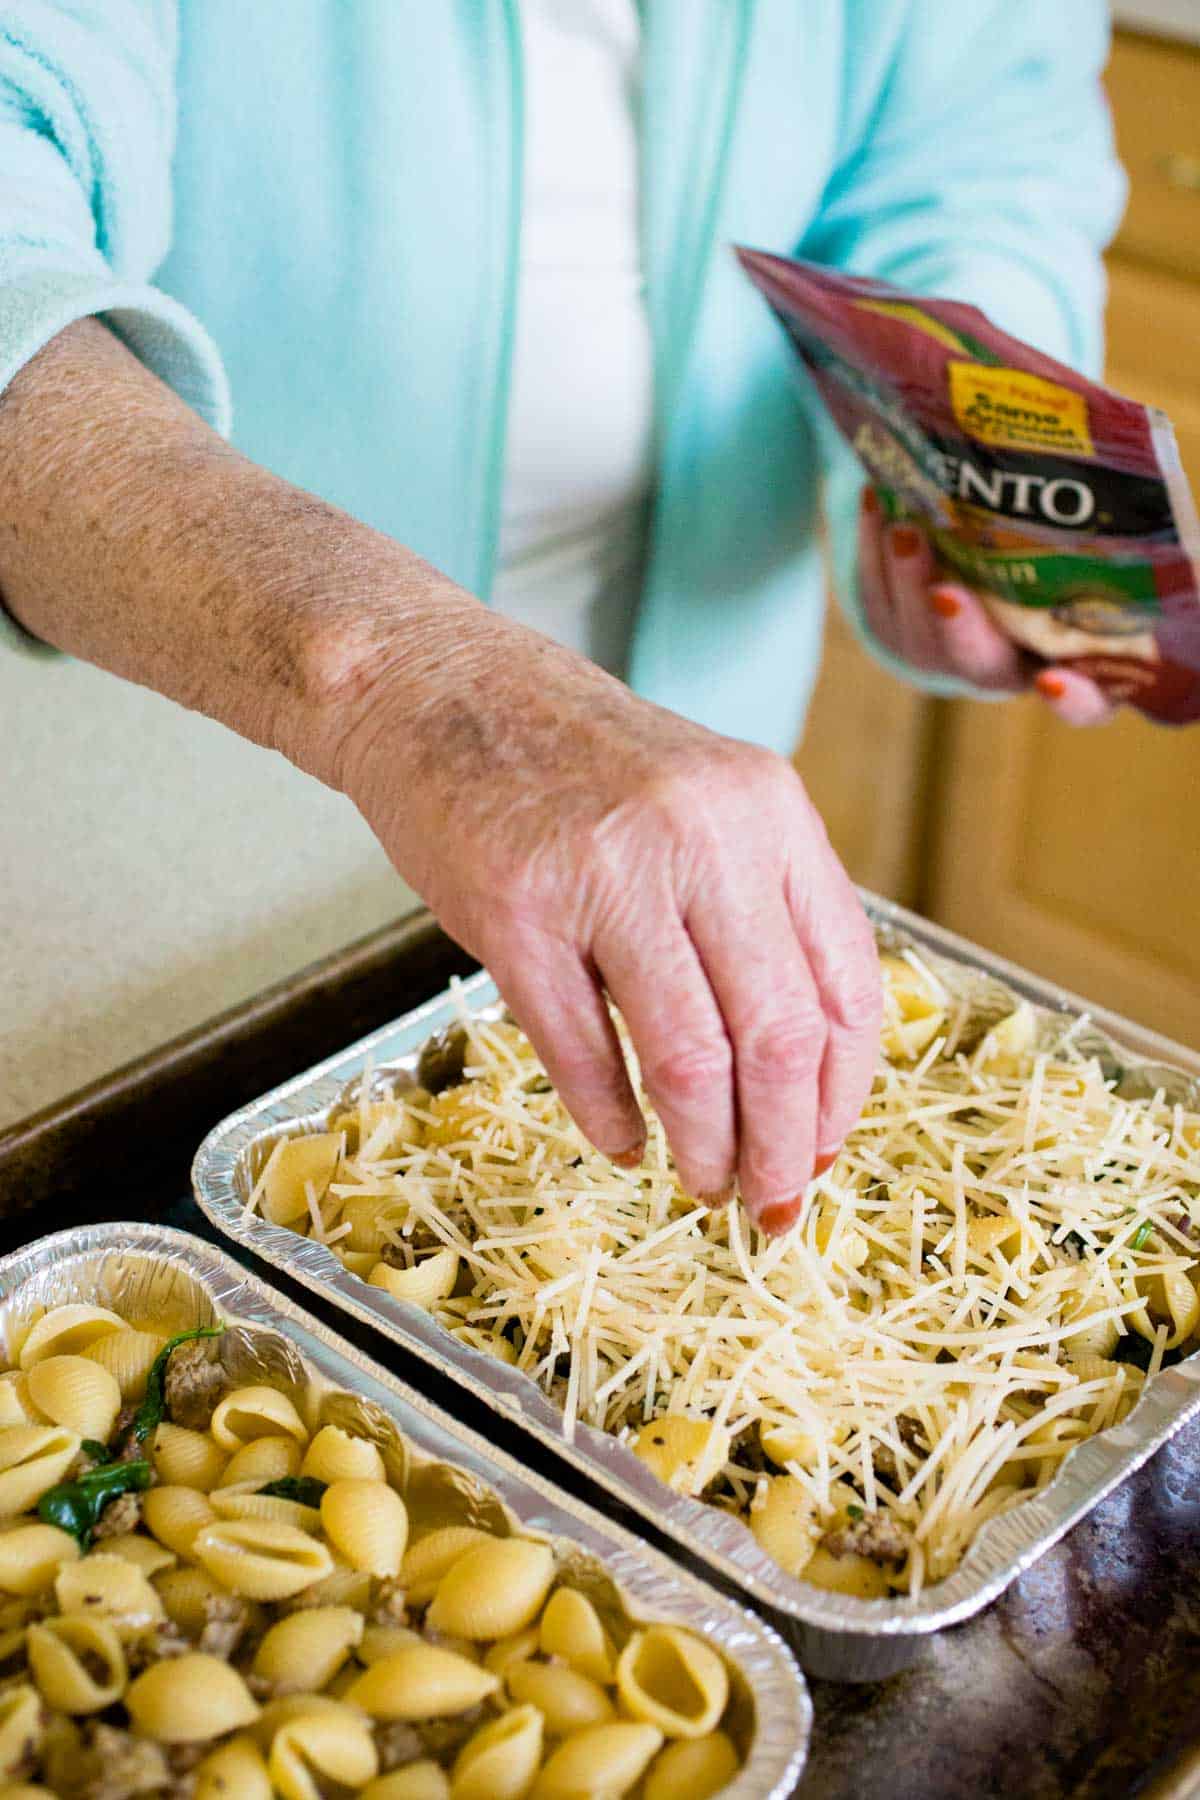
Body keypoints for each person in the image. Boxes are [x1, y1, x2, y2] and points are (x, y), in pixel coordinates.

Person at [0, 2, 1123, 1235]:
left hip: (687, 770)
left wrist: (951, 459)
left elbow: (977, 141)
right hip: (158, 780)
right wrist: (402, 681)